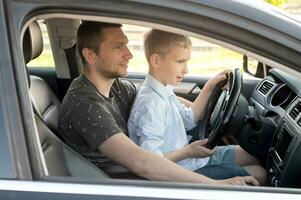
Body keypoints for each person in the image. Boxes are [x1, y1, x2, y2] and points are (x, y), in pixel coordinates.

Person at [58, 20, 259, 186]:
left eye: (126, 45)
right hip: (138, 183)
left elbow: (163, 98)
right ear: (90, 55)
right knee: (258, 175)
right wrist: (218, 186)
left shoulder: (118, 87)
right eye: (118, 47)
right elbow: (143, 162)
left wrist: (210, 92)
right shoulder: (84, 105)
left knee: (257, 155)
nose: (129, 54)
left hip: (165, 166)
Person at [128, 29, 266, 184]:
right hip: (184, 172)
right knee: (260, 173)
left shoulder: (164, 90)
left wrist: (210, 86)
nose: (186, 70)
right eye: (180, 62)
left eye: (186, 62)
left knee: (255, 154)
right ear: (156, 61)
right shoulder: (150, 105)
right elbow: (152, 161)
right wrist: (187, 152)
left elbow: (188, 119)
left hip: (192, 159)